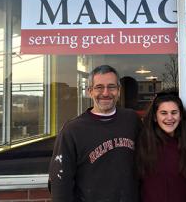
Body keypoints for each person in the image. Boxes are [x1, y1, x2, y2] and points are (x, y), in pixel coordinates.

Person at [48, 65, 141, 202]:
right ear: (90, 91)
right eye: (99, 87)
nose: (105, 93)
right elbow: (60, 182)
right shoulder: (72, 130)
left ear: (119, 91)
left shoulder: (132, 120)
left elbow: (148, 157)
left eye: (111, 87)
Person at [136, 91, 186, 202]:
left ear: (180, 116)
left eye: (174, 112)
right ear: (155, 117)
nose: (170, 117)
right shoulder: (143, 143)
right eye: (164, 113)